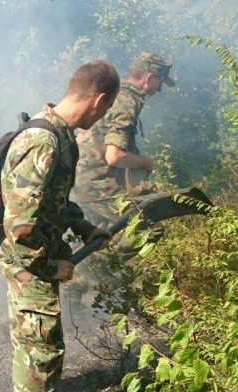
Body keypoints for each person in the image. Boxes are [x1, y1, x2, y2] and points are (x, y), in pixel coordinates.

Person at [0, 60, 118, 392]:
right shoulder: (43, 141)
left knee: (36, 353)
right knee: (42, 359)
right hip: (30, 267)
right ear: (99, 100)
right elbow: (19, 229)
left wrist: (85, 227)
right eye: (106, 110)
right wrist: (54, 266)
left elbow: (56, 201)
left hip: (34, 265)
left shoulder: (62, 138)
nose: (102, 119)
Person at [68, 52, 175, 299]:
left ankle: (73, 289)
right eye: (160, 82)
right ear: (149, 77)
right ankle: (85, 269)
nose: (159, 90)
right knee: (148, 227)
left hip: (85, 180)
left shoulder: (117, 94)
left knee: (105, 232)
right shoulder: (128, 102)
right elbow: (113, 156)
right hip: (97, 184)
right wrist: (145, 162)